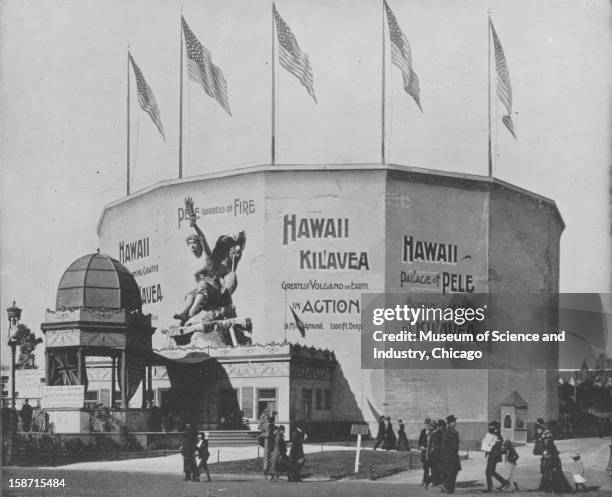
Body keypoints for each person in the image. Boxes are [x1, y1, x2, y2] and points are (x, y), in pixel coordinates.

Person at [174, 197, 246, 325]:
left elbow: (203, 238)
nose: (192, 245)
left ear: (199, 245)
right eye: (189, 243)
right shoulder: (193, 263)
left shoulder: (207, 256)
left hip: (214, 291)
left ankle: (191, 313)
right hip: (203, 292)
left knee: (202, 286)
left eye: (194, 242)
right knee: (190, 294)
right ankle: (184, 313)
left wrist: (194, 223)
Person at [484, 421, 510, 492]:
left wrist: (492, 443)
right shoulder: (492, 434)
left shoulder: (497, 435)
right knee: (491, 472)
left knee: (488, 472)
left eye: (491, 427)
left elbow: (498, 444)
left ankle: (490, 488)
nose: (490, 428)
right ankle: (505, 482)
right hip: (492, 455)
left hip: (494, 456)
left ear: (495, 428)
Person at [441, 414, 461, 494]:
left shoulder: (455, 432)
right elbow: (444, 444)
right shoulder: (446, 432)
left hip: (455, 455)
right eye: (453, 422)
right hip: (449, 455)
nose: (455, 423)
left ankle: (450, 487)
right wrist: (446, 455)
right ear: (449, 423)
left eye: (455, 421)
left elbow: (457, 442)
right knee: (450, 471)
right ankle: (446, 486)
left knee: (455, 471)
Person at [428, 419, 446, 487]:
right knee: (434, 468)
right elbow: (431, 444)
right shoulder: (434, 433)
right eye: (441, 426)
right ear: (438, 426)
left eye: (443, 426)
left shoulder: (444, 433)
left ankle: (441, 482)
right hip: (435, 454)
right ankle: (434, 482)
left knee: (441, 468)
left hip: (441, 454)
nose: (442, 428)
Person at [418, 418, 432, 486]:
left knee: (427, 467)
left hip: (429, 452)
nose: (427, 425)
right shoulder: (422, 431)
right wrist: (420, 446)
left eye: (428, 424)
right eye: (426, 424)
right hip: (423, 452)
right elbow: (420, 441)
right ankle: (425, 481)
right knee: (425, 467)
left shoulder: (432, 432)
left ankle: (425, 481)